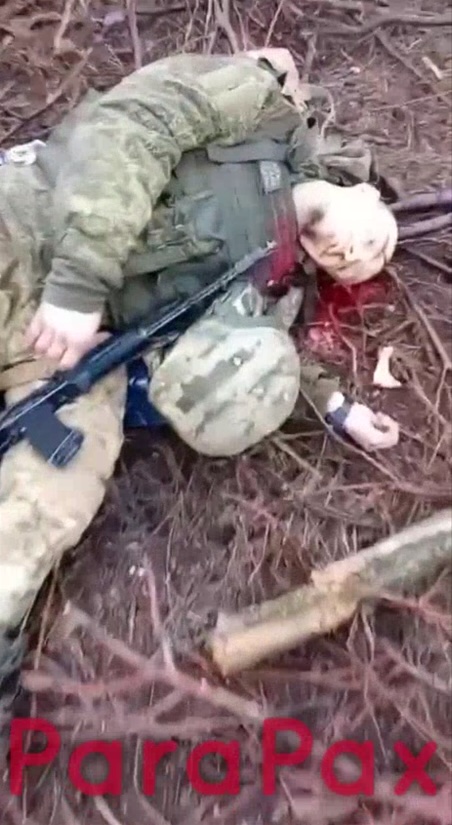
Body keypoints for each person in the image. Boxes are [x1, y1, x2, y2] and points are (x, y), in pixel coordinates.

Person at [0, 48, 399, 718]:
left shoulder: (277, 287)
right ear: (361, 188)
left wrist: (335, 404)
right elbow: (128, 125)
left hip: (72, 357)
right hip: (27, 232)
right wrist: (78, 285)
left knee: (61, 486)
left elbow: (254, 358)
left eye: (360, 269)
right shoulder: (259, 109)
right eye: (375, 239)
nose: (356, 256)